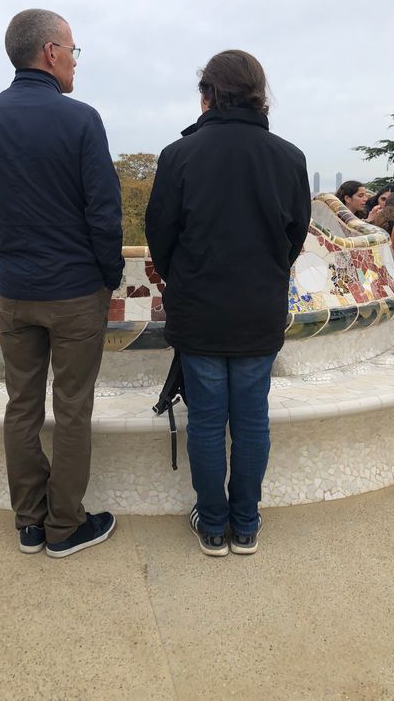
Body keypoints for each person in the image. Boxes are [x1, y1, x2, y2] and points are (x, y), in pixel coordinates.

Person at [0, 9, 123, 558]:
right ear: (51, 52)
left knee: (21, 406)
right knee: (73, 407)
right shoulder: (81, 120)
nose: (77, 61)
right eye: (74, 51)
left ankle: (29, 523)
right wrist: (106, 275)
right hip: (76, 291)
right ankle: (65, 526)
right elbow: (105, 214)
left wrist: (8, 257)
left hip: (17, 291)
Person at [145, 50, 311, 557]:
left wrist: (186, 279)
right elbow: (294, 236)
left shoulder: (179, 156)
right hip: (258, 309)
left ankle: (213, 526)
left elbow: (160, 235)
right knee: (252, 419)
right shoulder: (288, 157)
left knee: (208, 420)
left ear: (208, 94)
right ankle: (247, 524)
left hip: (200, 310)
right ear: (259, 94)